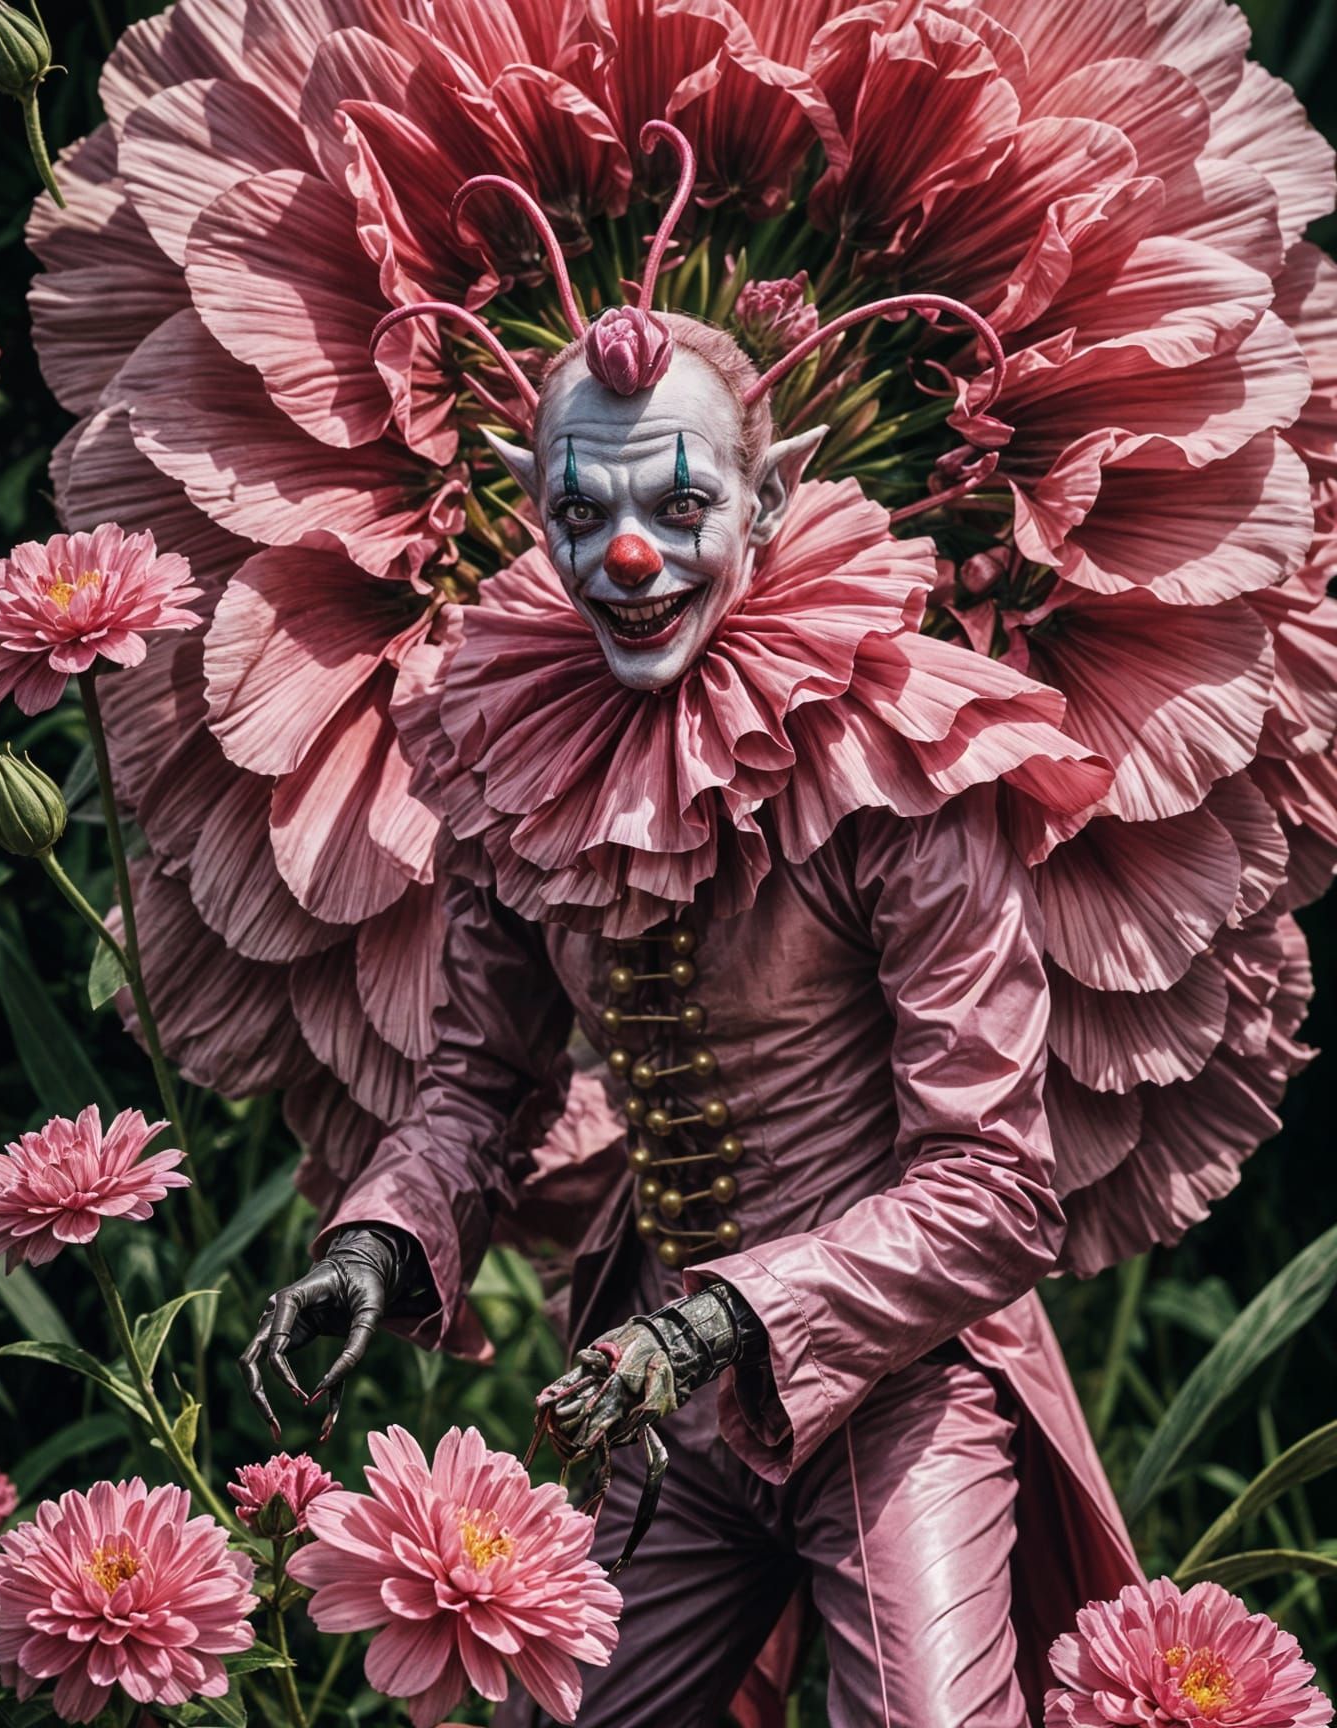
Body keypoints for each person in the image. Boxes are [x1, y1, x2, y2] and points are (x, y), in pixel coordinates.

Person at [240, 125, 1140, 1727]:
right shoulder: (511, 752)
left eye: (678, 503)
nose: (630, 557)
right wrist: (382, 1237)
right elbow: (479, 1081)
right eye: (583, 514)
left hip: (900, 1393)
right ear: (536, 516)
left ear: (770, 499)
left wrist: (738, 1312)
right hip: (654, 1408)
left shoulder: (897, 765)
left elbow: (999, 1189)